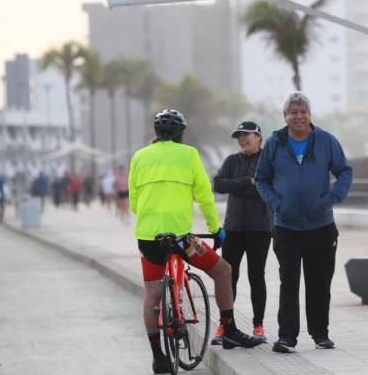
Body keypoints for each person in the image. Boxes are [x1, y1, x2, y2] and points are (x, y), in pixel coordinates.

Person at [130, 109, 264, 373]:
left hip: (148, 238)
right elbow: (204, 195)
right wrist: (216, 230)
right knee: (223, 270)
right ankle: (230, 329)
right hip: (182, 239)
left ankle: (158, 357)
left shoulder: (139, 157)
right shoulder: (189, 155)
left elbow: (134, 202)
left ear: (156, 133)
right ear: (181, 134)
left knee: (153, 296)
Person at [255, 92, 353, 354]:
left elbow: (344, 170)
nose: (298, 116)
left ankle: (321, 333)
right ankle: (287, 336)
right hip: (286, 226)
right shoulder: (275, 143)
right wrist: (276, 204)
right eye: (293, 112)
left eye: (303, 111)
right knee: (289, 282)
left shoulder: (326, 141)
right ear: (285, 116)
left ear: (310, 114)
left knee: (319, 281)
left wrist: (331, 198)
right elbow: (261, 179)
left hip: (321, 225)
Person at [212, 121, 272, 345]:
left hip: (260, 228)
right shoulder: (232, 161)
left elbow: (266, 189)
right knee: (229, 277)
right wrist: (247, 181)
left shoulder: (268, 160)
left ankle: (258, 325)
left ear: (259, 137)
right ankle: (225, 325)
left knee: (256, 276)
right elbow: (218, 185)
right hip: (234, 228)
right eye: (239, 136)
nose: (242, 139)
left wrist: (236, 186)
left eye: (247, 134)